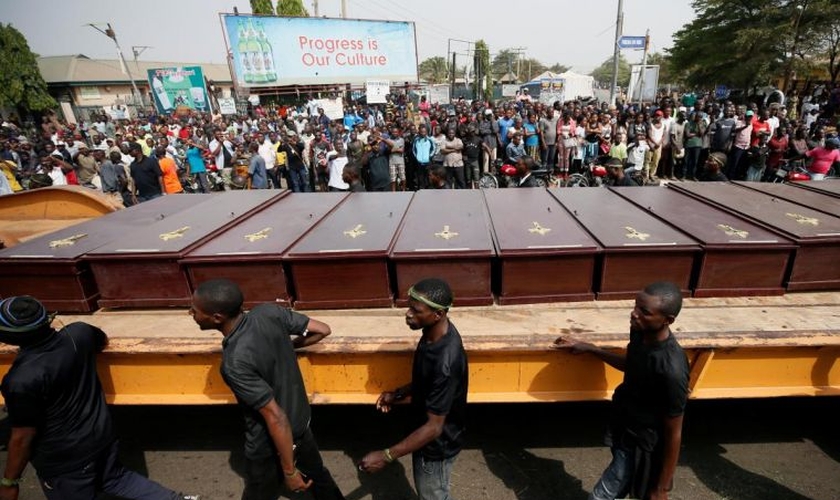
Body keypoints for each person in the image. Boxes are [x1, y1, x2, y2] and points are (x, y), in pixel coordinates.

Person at [0, 296, 195, 500]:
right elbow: (101, 339)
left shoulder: (20, 380)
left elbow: (22, 438)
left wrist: (9, 482)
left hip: (66, 461)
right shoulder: (79, 333)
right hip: (101, 437)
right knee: (117, 479)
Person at [189, 279, 345, 500]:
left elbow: (276, 417)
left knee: (259, 492)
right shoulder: (268, 312)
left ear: (217, 318)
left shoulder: (235, 362)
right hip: (301, 426)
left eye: (194, 311)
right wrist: (285, 345)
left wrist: (289, 472)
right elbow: (322, 330)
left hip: (267, 444)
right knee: (319, 480)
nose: (191, 314)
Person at [554, 282, 689, 500]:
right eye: (636, 307)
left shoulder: (671, 369)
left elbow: (674, 432)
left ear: (668, 320)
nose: (634, 315)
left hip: (641, 441)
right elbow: (633, 364)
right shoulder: (640, 331)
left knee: (603, 494)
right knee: (623, 482)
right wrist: (591, 349)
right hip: (624, 422)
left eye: (644, 312)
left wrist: (661, 489)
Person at [359, 278, 468, 500]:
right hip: (424, 437)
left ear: (438, 314)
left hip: (435, 448)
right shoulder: (432, 332)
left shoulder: (445, 363)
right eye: (409, 307)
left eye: (416, 310)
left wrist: (386, 456)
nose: (408, 314)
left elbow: (434, 428)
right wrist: (399, 393)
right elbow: (426, 380)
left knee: (432, 495)